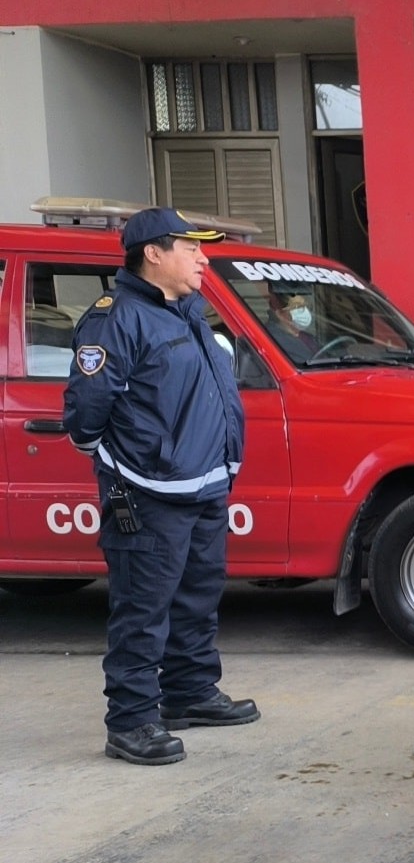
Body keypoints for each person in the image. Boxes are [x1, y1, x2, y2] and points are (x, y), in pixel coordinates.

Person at [63, 207, 260, 766]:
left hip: (204, 486)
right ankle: (130, 722)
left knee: (197, 597)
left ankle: (190, 694)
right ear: (153, 253)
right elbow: (87, 412)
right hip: (148, 493)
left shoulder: (188, 312)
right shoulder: (115, 318)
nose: (203, 257)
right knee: (143, 609)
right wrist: (123, 463)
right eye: (190, 248)